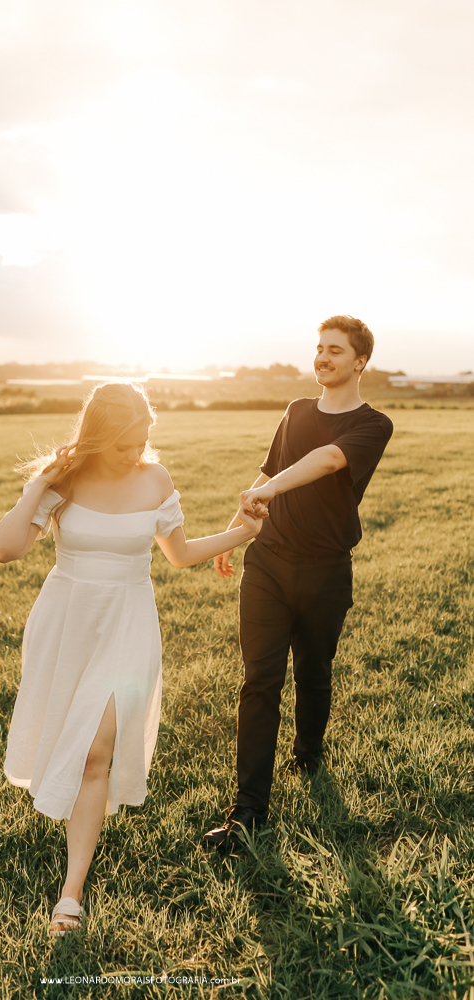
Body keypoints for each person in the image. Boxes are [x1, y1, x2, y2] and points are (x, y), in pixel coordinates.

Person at [0, 382, 267, 935]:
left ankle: (70, 895)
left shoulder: (155, 478)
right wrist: (34, 490)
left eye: (143, 441)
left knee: (98, 750)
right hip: (67, 621)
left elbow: (180, 554)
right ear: (96, 437)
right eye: (123, 445)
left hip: (129, 624)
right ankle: (72, 840)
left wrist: (243, 533)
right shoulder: (63, 480)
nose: (135, 454)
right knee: (70, 739)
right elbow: (6, 548)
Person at [203, 315, 394, 849]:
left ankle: (308, 756)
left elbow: (326, 460)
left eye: (335, 350)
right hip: (267, 564)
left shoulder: (372, 424)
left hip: (325, 570)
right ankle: (247, 811)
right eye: (318, 348)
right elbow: (267, 475)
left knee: (314, 672)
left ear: (360, 362)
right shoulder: (295, 411)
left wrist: (268, 492)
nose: (323, 357)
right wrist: (232, 533)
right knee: (260, 680)